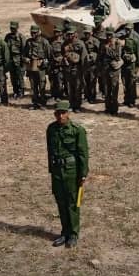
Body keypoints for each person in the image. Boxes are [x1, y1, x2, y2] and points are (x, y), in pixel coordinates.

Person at [46, 100, 89, 248]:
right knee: (61, 202)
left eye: (63, 113)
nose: (60, 116)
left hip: (71, 171)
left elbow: (83, 153)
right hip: (57, 171)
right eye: (58, 113)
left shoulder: (77, 130)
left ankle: (73, 234)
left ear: (68, 113)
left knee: (72, 203)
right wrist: (51, 170)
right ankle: (64, 233)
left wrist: (83, 174)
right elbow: (50, 151)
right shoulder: (51, 129)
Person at [24, 24, 52, 110]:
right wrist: (26, 59)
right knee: (33, 86)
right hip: (31, 66)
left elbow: (49, 56)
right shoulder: (28, 42)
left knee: (42, 85)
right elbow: (24, 54)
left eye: (35, 32)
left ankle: (43, 103)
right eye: (32, 32)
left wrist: (45, 62)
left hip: (40, 67)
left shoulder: (44, 42)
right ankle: (35, 103)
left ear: (39, 32)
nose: (33, 34)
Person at [63, 24, 89, 112]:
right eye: (68, 34)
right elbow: (63, 54)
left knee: (78, 88)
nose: (70, 35)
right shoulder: (65, 43)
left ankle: (77, 106)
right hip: (68, 69)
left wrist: (83, 70)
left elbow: (84, 57)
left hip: (78, 69)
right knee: (70, 88)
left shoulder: (80, 44)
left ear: (75, 34)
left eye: (71, 34)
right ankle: (71, 104)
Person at [98, 28, 123, 115]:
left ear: (113, 35)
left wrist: (108, 49)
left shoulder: (117, 43)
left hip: (114, 70)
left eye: (110, 35)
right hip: (105, 69)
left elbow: (117, 56)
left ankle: (114, 109)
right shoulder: (103, 44)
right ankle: (107, 108)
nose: (109, 37)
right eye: (107, 35)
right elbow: (100, 57)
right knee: (106, 90)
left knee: (114, 89)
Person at [120, 27, 139, 107]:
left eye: (129, 29)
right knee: (124, 82)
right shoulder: (123, 38)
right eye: (126, 29)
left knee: (131, 82)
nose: (127, 31)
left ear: (132, 29)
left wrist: (137, 66)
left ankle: (132, 101)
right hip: (124, 63)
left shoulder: (135, 40)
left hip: (132, 64)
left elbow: (138, 53)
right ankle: (126, 99)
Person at [6, 21, 26, 100]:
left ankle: (21, 92)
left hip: (19, 60)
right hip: (11, 60)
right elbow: (5, 48)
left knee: (20, 77)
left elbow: (24, 49)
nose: (12, 29)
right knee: (13, 77)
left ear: (17, 28)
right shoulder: (8, 37)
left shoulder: (21, 37)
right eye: (11, 28)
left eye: (14, 28)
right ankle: (15, 91)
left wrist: (23, 60)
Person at [84, 17, 102, 104]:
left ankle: (92, 96)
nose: (86, 35)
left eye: (88, 33)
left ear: (91, 33)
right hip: (85, 65)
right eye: (85, 33)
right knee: (85, 81)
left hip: (93, 65)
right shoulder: (82, 41)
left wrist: (94, 56)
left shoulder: (95, 41)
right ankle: (86, 96)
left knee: (92, 81)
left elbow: (100, 52)